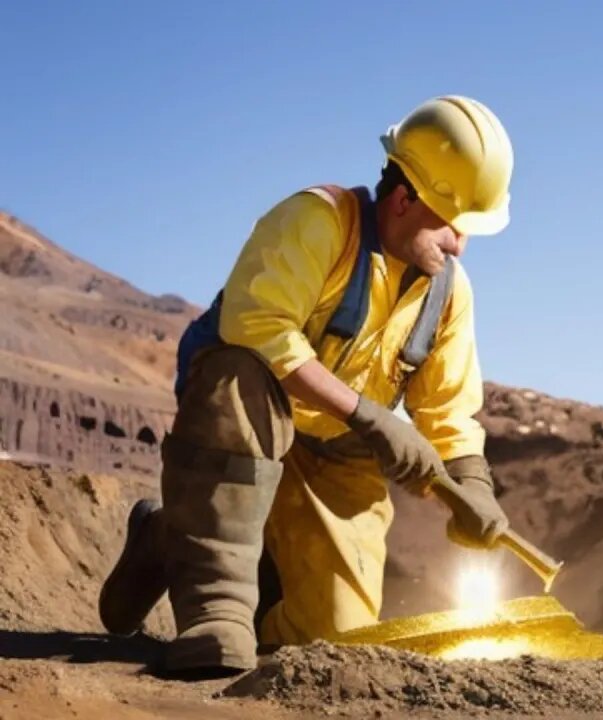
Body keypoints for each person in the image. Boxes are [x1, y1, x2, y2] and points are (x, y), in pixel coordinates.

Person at [96, 95, 514, 676]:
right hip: (248, 422)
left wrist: (471, 482)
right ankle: (217, 608)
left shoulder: (447, 293)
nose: (459, 244)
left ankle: (173, 541)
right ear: (403, 199)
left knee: (336, 642)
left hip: (336, 456)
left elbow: (448, 407)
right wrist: (370, 417)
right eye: (454, 224)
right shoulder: (318, 222)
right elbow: (257, 326)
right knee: (237, 369)